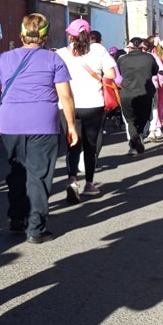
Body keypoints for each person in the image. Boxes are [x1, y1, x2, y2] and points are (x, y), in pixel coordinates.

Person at [0, 12, 78, 244]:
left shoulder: (3, 58)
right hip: (43, 123)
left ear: (22, 34)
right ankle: (35, 228)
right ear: (45, 37)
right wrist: (72, 126)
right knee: (39, 175)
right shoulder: (54, 59)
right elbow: (65, 96)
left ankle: (16, 218)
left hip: (10, 123)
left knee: (17, 171)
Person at [55, 19, 117, 200]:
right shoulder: (98, 50)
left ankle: (72, 180)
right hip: (94, 104)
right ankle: (89, 183)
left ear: (70, 35)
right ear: (88, 35)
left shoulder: (59, 54)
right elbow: (111, 74)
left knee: (72, 145)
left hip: (67, 106)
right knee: (90, 146)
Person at [116, 38, 158, 155]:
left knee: (130, 121)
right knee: (144, 119)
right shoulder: (149, 57)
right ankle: (139, 136)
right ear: (142, 46)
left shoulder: (122, 59)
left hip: (127, 93)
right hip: (144, 92)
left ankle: (134, 141)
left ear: (129, 47)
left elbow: (119, 74)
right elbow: (155, 71)